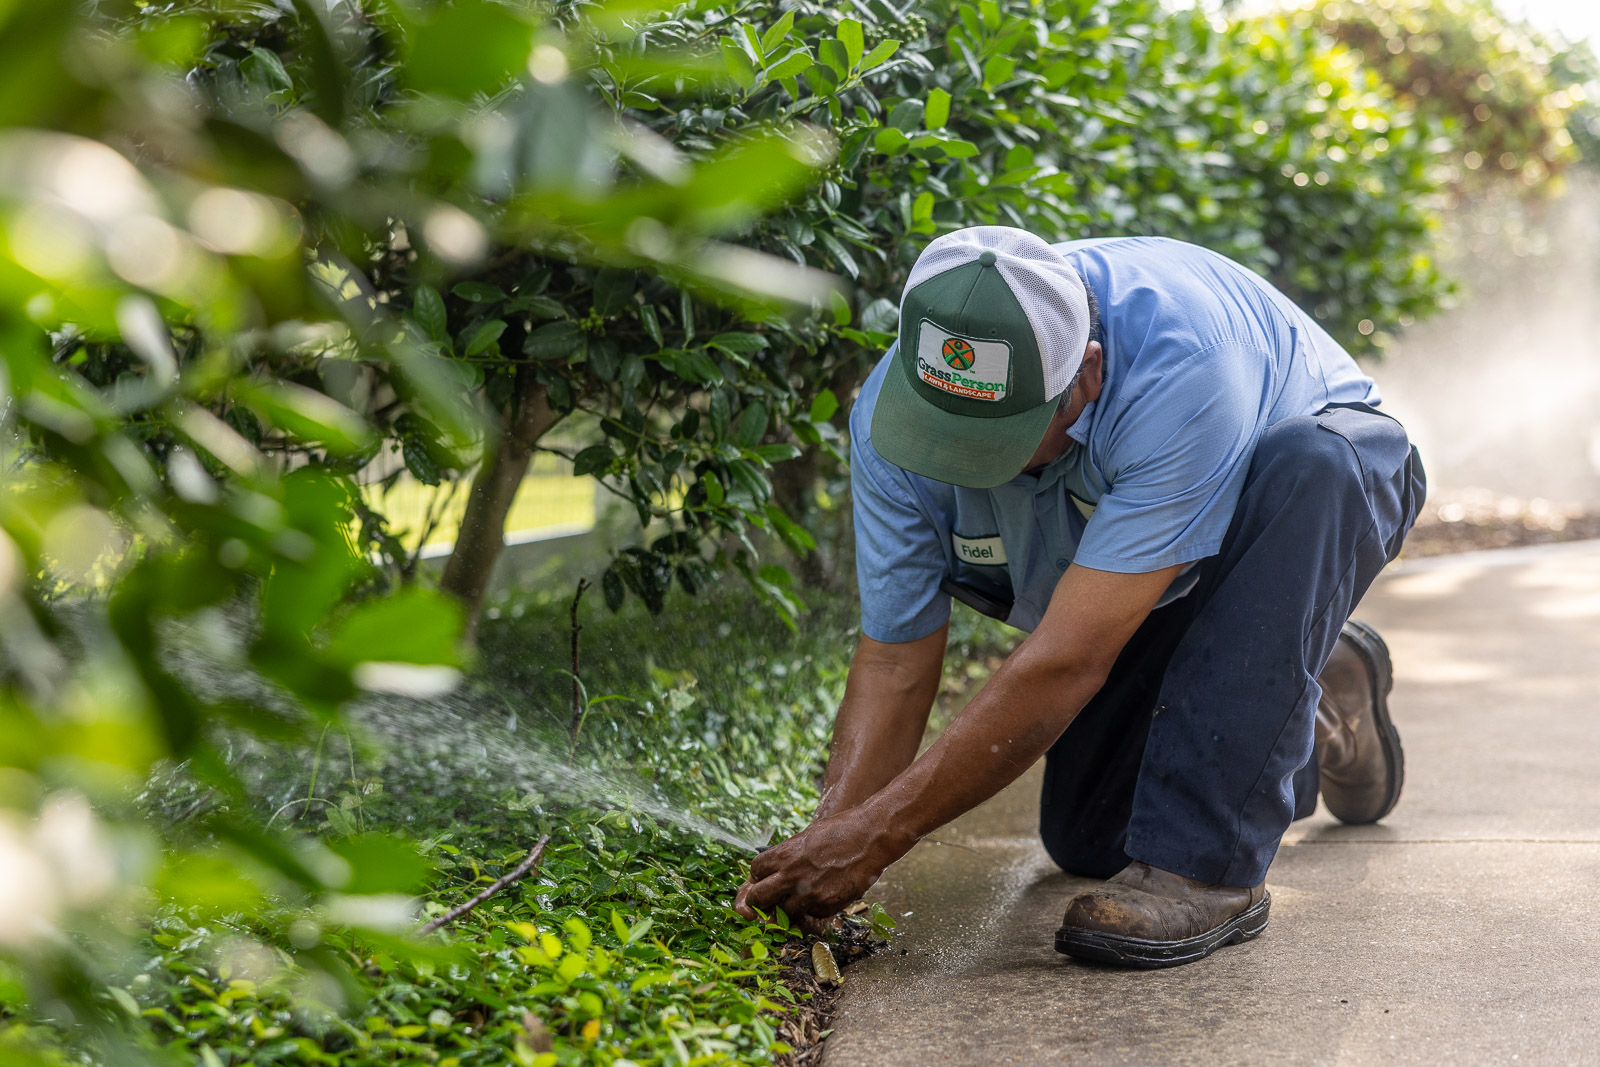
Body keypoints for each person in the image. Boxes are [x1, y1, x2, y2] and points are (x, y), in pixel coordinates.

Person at [733, 226, 1426, 968]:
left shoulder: (1184, 373)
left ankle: (1212, 873)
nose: (962, 465)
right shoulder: (888, 417)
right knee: (1093, 838)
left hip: (1314, 488)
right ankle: (1315, 706)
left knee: (1308, 465)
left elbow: (1067, 659)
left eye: (995, 438)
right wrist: (829, 842)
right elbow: (895, 664)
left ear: (1086, 375)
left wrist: (882, 835)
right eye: (943, 431)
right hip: (1154, 568)